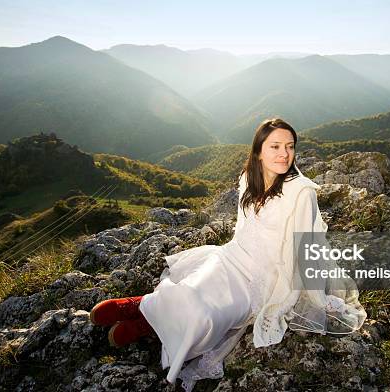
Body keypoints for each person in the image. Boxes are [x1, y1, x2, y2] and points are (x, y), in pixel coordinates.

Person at [89, 118, 367, 391]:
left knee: (206, 315)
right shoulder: (249, 177)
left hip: (263, 278)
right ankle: (139, 305)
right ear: (259, 150)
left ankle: (146, 322)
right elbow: (242, 226)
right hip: (231, 257)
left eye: (290, 146)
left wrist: (313, 299)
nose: (284, 153)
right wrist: (224, 257)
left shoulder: (301, 193)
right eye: (275, 146)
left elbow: (305, 250)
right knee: (191, 288)